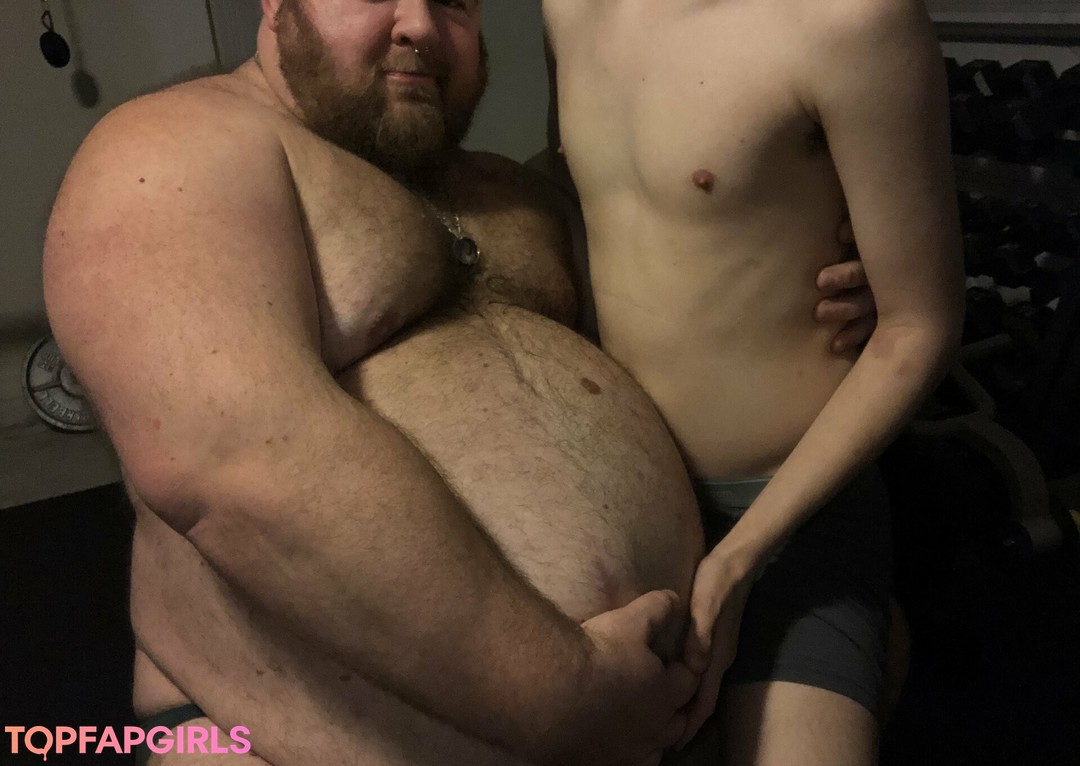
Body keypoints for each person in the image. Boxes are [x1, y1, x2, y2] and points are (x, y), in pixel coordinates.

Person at [43, 1, 876, 764]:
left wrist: (808, 280)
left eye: (453, 1)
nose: (419, 24)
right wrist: (563, 693)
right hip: (282, 737)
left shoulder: (520, 195)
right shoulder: (173, 148)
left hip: (660, 702)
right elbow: (230, 464)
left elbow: (685, 319)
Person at [543, 0, 965, 763]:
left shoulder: (852, 21)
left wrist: (742, 557)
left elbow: (920, 325)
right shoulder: (567, 9)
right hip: (623, 495)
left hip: (792, 516)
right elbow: (599, 198)